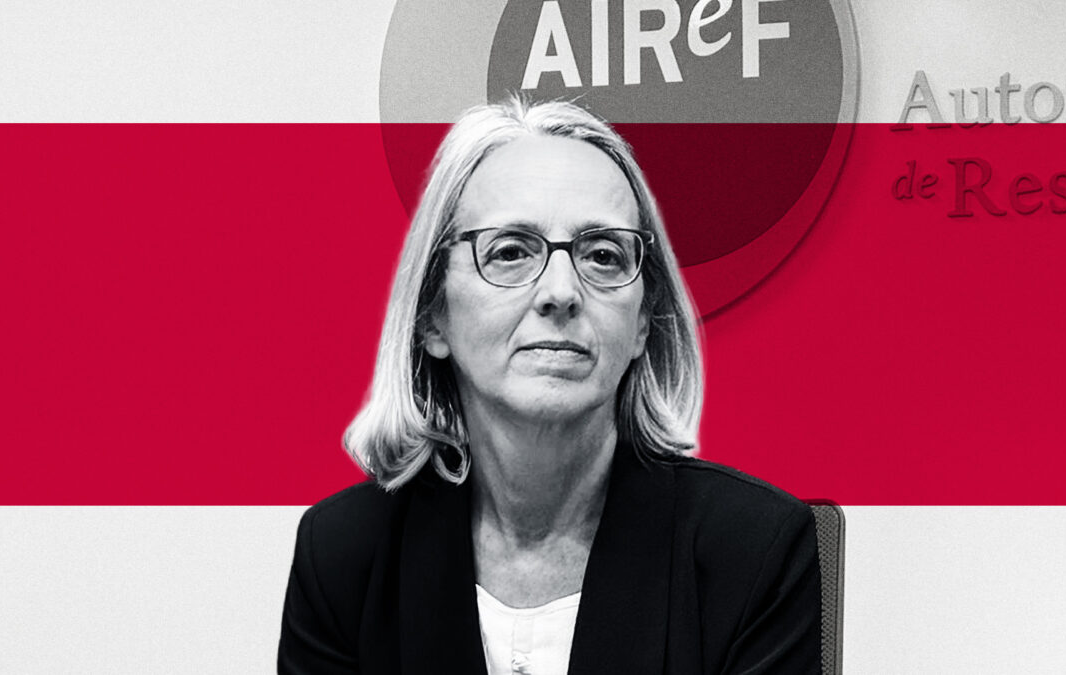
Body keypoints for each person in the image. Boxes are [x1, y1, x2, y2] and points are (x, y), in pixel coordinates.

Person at [278, 98, 822, 674]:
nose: (561, 292)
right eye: (511, 252)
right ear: (434, 314)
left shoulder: (753, 550)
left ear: (642, 322)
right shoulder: (344, 555)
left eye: (603, 255)